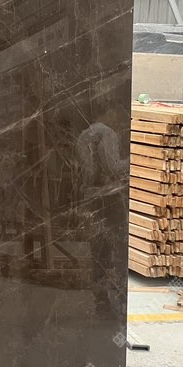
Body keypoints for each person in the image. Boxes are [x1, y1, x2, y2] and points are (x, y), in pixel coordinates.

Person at [76, 112, 128, 316]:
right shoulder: (107, 134)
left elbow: (87, 174)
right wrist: (133, 162)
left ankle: (101, 303)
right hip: (109, 198)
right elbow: (112, 167)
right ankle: (121, 301)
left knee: (98, 252)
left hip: (91, 198)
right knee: (120, 248)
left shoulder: (83, 136)